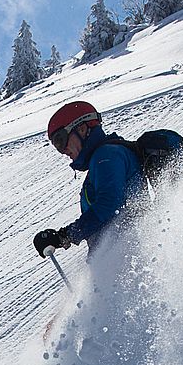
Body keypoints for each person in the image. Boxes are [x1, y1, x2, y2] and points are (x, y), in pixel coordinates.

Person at [33, 101, 144, 258]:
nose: (62, 150)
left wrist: (64, 236)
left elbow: (109, 204)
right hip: (126, 254)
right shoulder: (103, 158)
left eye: (61, 140)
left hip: (131, 254)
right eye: (57, 146)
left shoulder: (106, 156)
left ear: (82, 128)